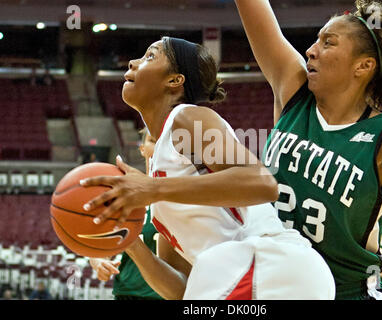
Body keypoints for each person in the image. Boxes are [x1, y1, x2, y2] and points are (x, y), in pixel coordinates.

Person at [80, 36, 335, 300]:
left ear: (174, 80)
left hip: (267, 266)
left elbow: (262, 183)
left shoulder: (187, 118)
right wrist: (131, 243)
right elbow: (182, 289)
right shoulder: (160, 195)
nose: (133, 62)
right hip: (239, 277)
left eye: (150, 56)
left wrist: (153, 189)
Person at [233, 0, 382, 300]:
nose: (311, 50)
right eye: (316, 40)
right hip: (274, 289)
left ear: (363, 66)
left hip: (347, 293)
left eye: (328, 42)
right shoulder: (293, 90)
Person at [89, 130, 163, 300]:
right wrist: (99, 261)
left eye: (165, 141)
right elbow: (100, 244)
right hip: (128, 294)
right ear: (143, 148)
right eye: (153, 140)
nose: (160, 145)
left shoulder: (187, 196)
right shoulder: (127, 194)